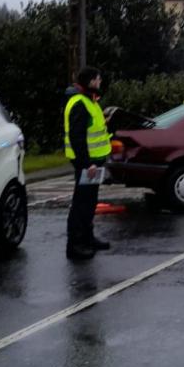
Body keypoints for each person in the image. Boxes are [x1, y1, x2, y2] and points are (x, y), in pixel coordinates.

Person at [64, 66, 112, 260]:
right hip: (87, 163)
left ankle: (87, 238)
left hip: (94, 161)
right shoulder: (80, 103)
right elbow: (77, 137)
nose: (100, 82)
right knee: (81, 203)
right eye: (98, 79)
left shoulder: (90, 101)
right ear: (91, 81)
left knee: (90, 202)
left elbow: (93, 129)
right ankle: (75, 245)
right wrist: (86, 164)